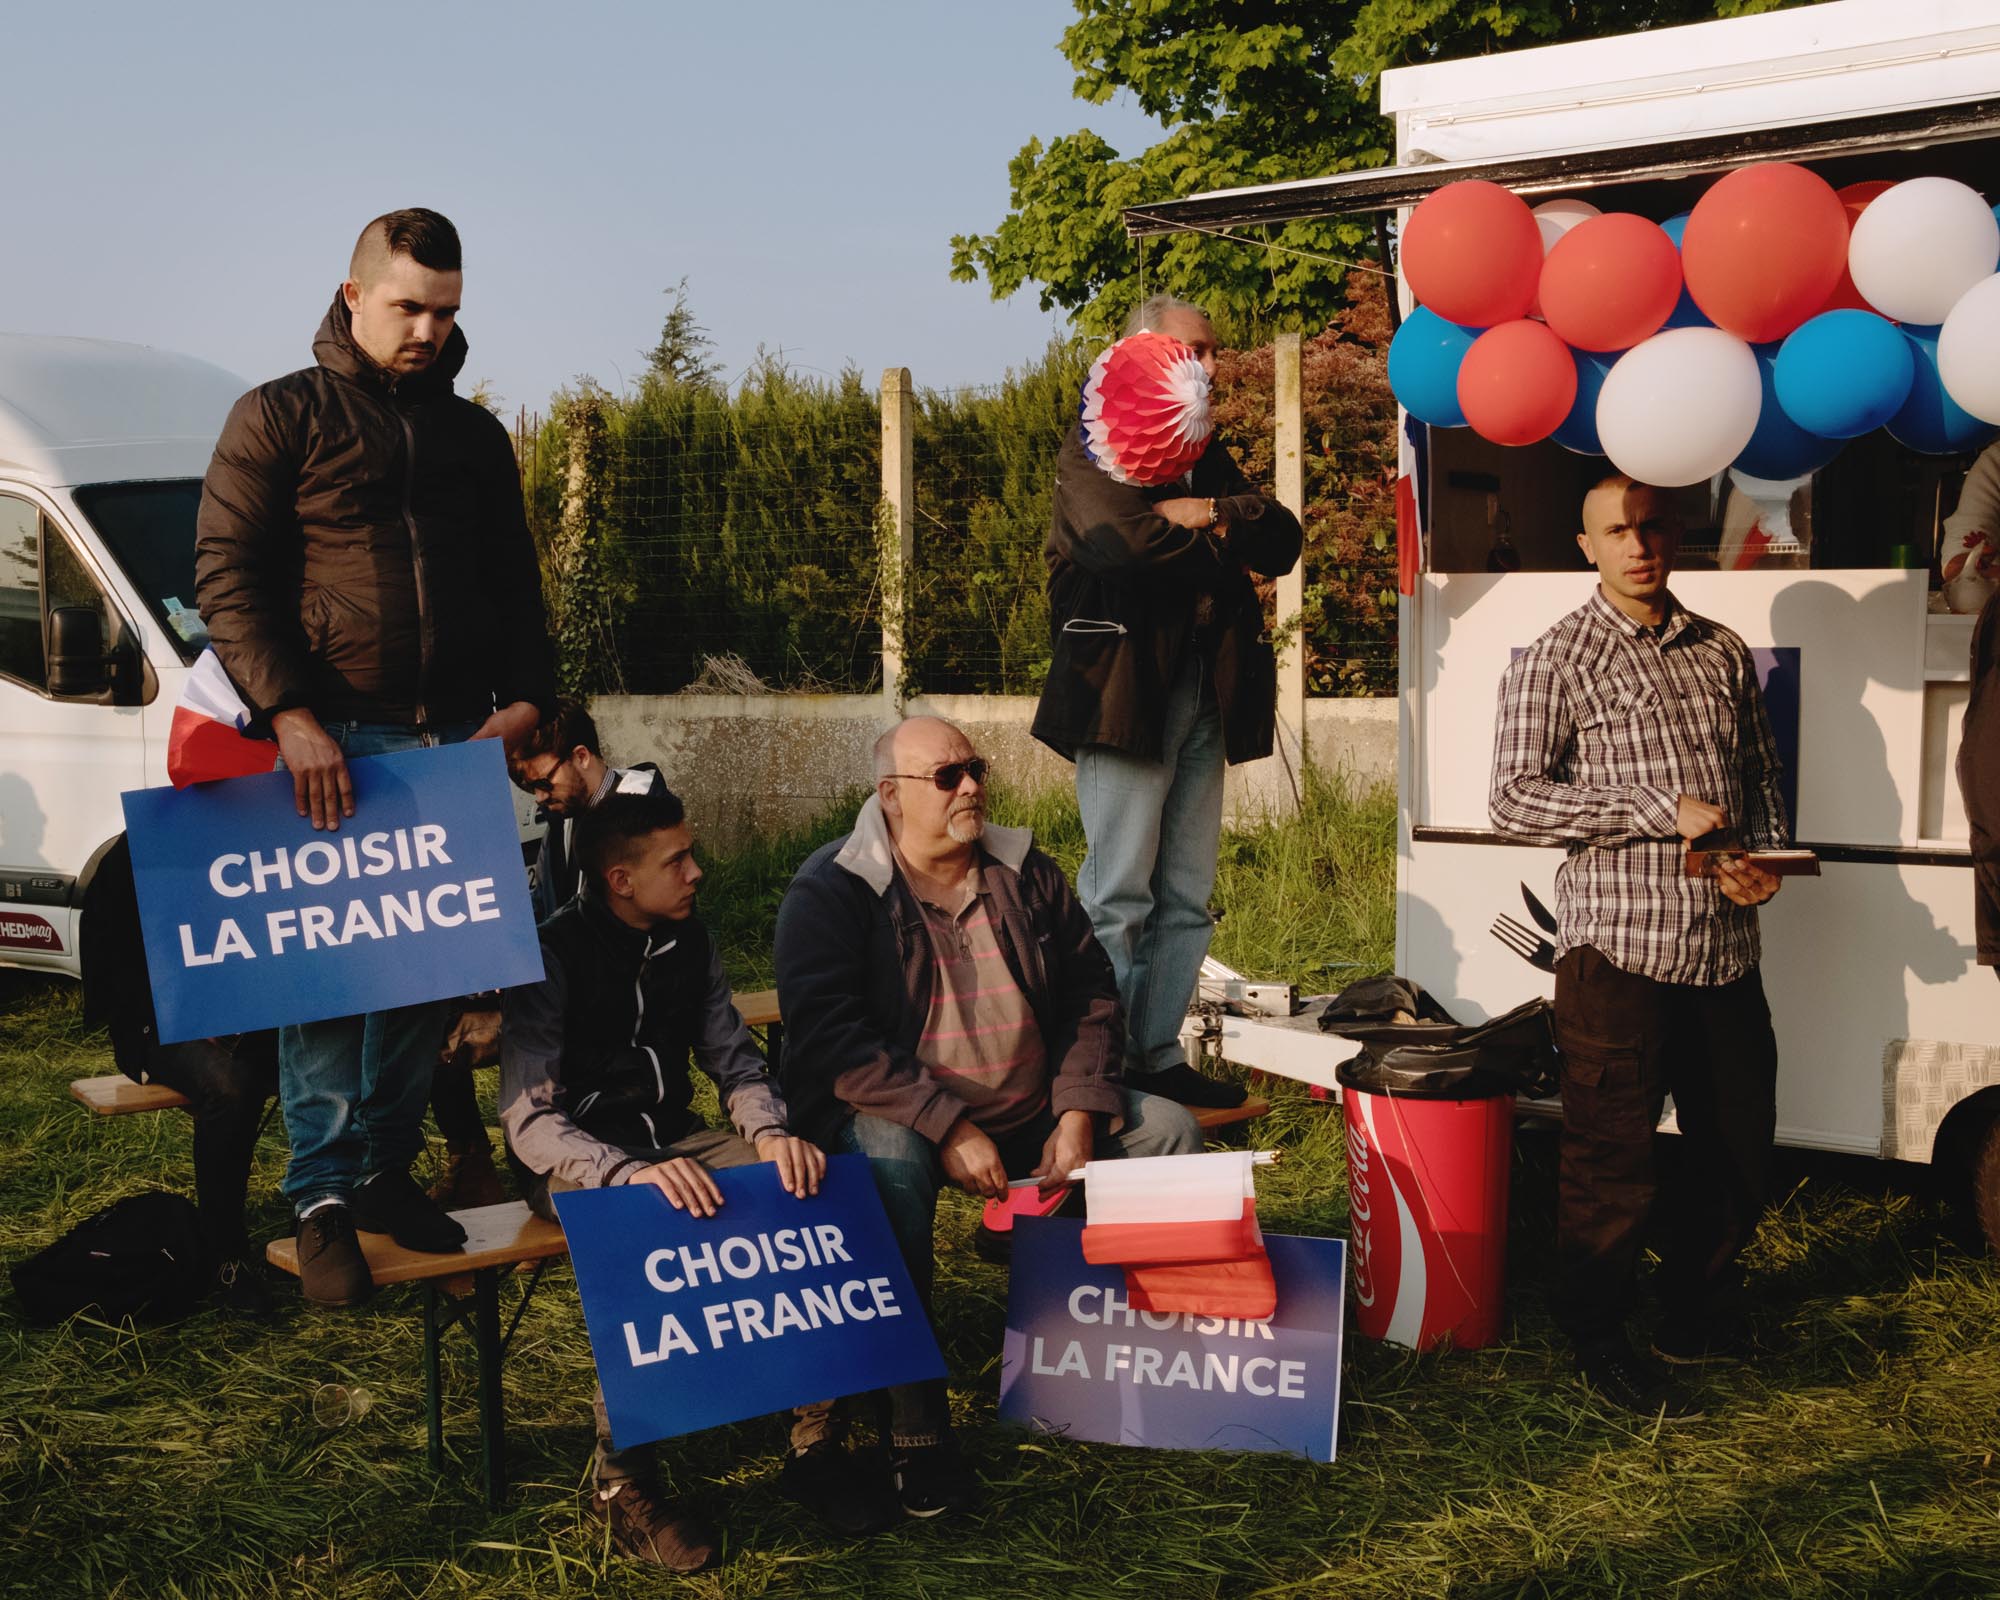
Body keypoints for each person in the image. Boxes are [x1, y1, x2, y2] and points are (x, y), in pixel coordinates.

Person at [194, 207, 556, 1307]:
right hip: (330, 746)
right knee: (334, 984)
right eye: (408, 306)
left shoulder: (474, 438)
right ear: (352, 296)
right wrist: (289, 713)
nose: (428, 331)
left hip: (449, 747)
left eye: (446, 312)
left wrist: (530, 701)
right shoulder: (278, 417)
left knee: (423, 987)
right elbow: (225, 578)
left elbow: (514, 587)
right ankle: (321, 1203)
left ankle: (385, 1172)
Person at [774, 715, 1203, 1515]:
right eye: (947, 777)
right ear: (891, 796)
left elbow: (1091, 997)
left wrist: (1078, 1111)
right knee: (889, 1163)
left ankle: (1126, 1375)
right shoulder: (831, 887)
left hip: (1030, 1109)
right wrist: (948, 1125)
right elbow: (832, 1037)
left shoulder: (1024, 870)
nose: (971, 787)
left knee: (1168, 1131)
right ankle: (917, 1427)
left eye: (976, 769)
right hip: (903, 1114)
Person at [500, 785, 897, 1567]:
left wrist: (771, 1132)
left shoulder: (691, 938)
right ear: (620, 879)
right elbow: (530, 1118)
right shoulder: (553, 952)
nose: (697, 872)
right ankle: (623, 1483)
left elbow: (735, 1060)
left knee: (805, 1193)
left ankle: (816, 1443)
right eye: (677, 860)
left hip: (676, 1137)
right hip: (580, 1159)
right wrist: (622, 1174)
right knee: (649, 1232)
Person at [1490, 473, 1787, 1419]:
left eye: (1652, 526)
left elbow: (1757, 777)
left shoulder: (1722, 651)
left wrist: (1762, 861)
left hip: (1723, 949)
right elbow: (1512, 800)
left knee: (1736, 1146)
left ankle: (1694, 1313)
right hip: (1617, 952)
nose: (1637, 544)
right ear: (1587, 546)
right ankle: (1597, 1334)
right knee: (1610, 1162)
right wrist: (1654, 810)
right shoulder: (1555, 658)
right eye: (1615, 530)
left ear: (1677, 533)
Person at [1031, 295, 1302, 1111]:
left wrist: (1212, 510)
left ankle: (1155, 1056)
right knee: (1117, 894)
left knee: (1185, 896)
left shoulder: (1203, 456)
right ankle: (1091, 1074)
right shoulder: (1094, 446)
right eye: (1199, 349)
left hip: (1203, 696)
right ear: (1147, 349)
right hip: (1123, 699)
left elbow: (1282, 539)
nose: (1213, 368)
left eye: (1215, 352)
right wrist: (1218, 544)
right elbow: (1123, 546)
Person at [427, 698, 656, 1210]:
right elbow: (545, 910)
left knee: (468, 1033)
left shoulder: (637, 810)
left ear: (580, 756)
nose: (538, 797)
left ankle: (528, 1173)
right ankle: (476, 1163)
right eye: (528, 789)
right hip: (561, 980)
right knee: (434, 1021)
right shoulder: (567, 815)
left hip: (615, 998)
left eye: (541, 782)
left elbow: (593, 928)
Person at [82, 835, 280, 1315]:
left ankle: (336, 1210)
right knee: (229, 1084)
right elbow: (115, 969)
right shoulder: (138, 850)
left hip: (254, 1012)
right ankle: (226, 1256)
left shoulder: (267, 833)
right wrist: (184, 1011)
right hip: (157, 1021)